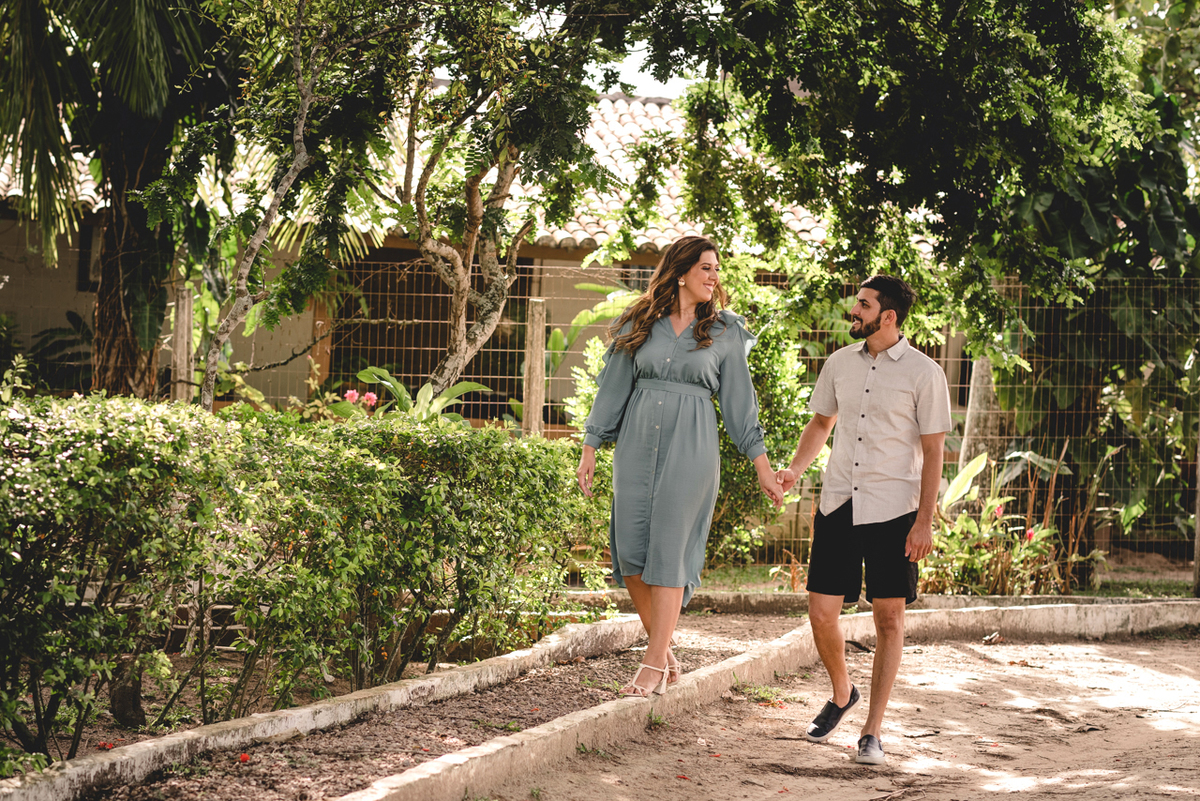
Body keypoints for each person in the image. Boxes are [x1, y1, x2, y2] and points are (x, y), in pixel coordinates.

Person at [576, 235, 785, 697]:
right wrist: (591, 444)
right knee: (630, 554)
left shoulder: (725, 331)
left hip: (692, 449)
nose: (714, 276)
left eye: (716, 269)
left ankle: (652, 664)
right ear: (682, 271)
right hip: (635, 445)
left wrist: (762, 467)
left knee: (669, 553)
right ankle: (664, 652)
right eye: (706, 267)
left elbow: (741, 406)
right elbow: (613, 387)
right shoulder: (639, 321)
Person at [775, 275, 951, 765]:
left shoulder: (925, 373)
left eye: (863, 305)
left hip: (894, 511)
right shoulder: (839, 363)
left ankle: (872, 731)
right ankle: (842, 692)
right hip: (838, 504)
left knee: (889, 618)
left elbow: (934, 451)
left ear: (887, 316)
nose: (853, 311)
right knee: (820, 613)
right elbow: (821, 423)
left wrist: (924, 521)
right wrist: (794, 470)